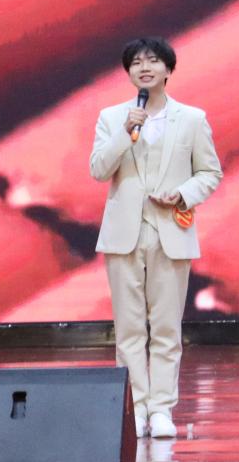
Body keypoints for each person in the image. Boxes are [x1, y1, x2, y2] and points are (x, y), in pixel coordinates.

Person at [89, 37, 223, 439]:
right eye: (136, 63)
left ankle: (162, 408)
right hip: (123, 235)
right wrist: (124, 132)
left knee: (166, 328)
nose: (144, 68)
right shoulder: (113, 117)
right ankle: (137, 409)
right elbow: (98, 169)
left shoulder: (192, 119)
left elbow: (210, 173)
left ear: (168, 69)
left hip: (170, 232)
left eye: (152, 61)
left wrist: (182, 193)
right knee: (129, 329)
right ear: (128, 72)